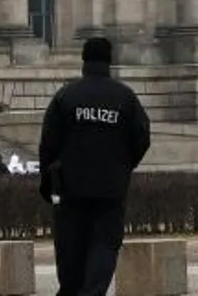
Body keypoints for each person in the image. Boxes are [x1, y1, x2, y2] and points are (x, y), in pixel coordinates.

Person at [38, 36, 152, 296]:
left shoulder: (67, 95)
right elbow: (142, 137)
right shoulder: (125, 96)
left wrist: (48, 179)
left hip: (69, 185)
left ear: (83, 60)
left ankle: (71, 290)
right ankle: (92, 293)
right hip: (111, 186)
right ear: (109, 61)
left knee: (70, 246)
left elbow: (48, 142)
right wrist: (123, 165)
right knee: (104, 244)